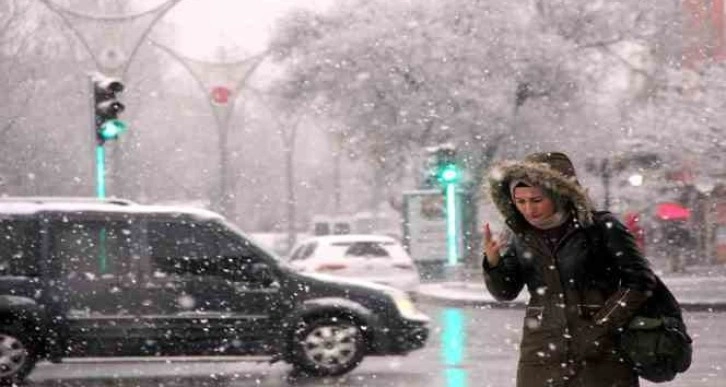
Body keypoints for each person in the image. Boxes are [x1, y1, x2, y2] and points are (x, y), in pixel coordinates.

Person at [482, 152, 657, 387]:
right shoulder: (521, 236)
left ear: (559, 194)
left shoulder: (600, 228)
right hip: (541, 354)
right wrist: (493, 263)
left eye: (536, 200)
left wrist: (599, 327)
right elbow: (505, 292)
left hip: (601, 352)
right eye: (520, 201)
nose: (528, 210)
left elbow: (640, 282)